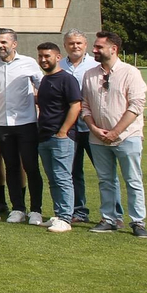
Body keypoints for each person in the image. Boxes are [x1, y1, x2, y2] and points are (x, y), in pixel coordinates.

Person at [80, 32, 147, 237]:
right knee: (106, 180)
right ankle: (109, 219)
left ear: (113, 49)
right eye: (95, 46)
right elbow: (85, 106)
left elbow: (136, 106)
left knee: (133, 180)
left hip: (128, 137)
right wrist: (93, 128)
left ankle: (138, 222)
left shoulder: (131, 73)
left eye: (99, 47)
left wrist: (116, 132)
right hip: (98, 138)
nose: (94, 50)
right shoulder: (90, 74)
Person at [0, 28, 46, 225]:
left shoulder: (29, 63)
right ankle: (18, 208)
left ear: (14, 44)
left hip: (26, 123)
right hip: (2, 124)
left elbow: (43, 87)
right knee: (11, 168)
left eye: (4, 42)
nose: (1, 46)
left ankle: (36, 210)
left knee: (31, 167)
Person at [34, 42, 83, 233]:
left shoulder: (67, 79)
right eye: (40, 56)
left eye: (47, 56)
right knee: (53, 178)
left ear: (57, 57)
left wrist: (63, 131)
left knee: (62, 177)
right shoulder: (46, 80)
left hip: (61, 137)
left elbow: (75, 106)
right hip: (44, 136)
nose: (43, 60)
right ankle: (58, 214)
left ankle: (65, 218)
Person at [58, 31, 99, 223]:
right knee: (73, 172)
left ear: (86, 45)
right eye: (71, 43)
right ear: (65, 45)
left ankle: (113, 214)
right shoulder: (60, 66)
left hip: (93, 127)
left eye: (79, 43)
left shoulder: (95, 66)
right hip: (70, 128)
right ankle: (79, 211)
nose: (75, 46)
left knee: (104, 172)